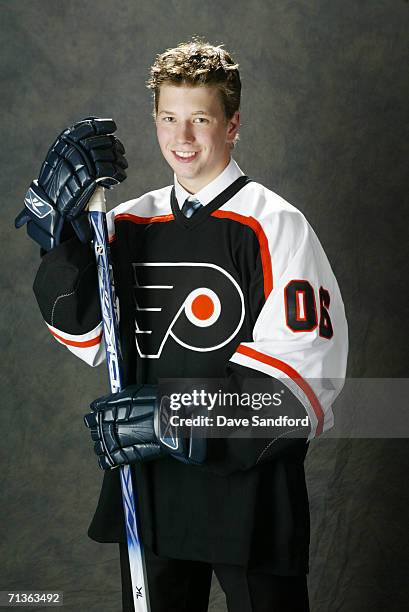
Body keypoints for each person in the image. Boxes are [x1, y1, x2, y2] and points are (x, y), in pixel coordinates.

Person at [16, 39, 348, 612]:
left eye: (200, 119)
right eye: (169, 119)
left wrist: (172, 413)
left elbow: (303, 384)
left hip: (251, 499)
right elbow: (85, 333)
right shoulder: (125, 222)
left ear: (233, 124)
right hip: (151, 492)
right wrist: (60, 234)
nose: (182, 138)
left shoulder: (277, 225)